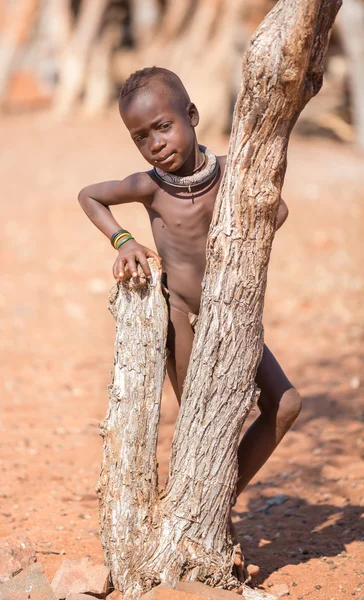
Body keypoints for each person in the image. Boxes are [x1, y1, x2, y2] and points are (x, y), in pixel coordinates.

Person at [78, 66, 302, 583]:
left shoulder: (232, 175)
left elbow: (277, 211)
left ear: (192, 116)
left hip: (230, 318)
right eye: (140, 137)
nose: (155, 145)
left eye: (163, 127)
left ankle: (217, 500)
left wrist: (240, 224)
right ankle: (200, 516)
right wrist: (124, 240)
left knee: (286, 404)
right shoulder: (150, 188)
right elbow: (90, 194)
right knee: (200, 425)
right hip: (182, 320)